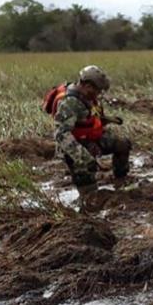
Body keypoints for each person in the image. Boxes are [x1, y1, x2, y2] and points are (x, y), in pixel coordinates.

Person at [44, 65, 131, 209]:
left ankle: (121, 182)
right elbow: (61, 134)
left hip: (91, 138)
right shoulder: (69, 102)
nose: (99, 94)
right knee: (91, 198)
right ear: (86, 85)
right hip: (73, 148)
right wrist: (86, 158)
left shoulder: (88, 97)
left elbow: (90, 117)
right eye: (97, 90)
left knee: (123, 144)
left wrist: (108, 120)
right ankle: (87, 202)